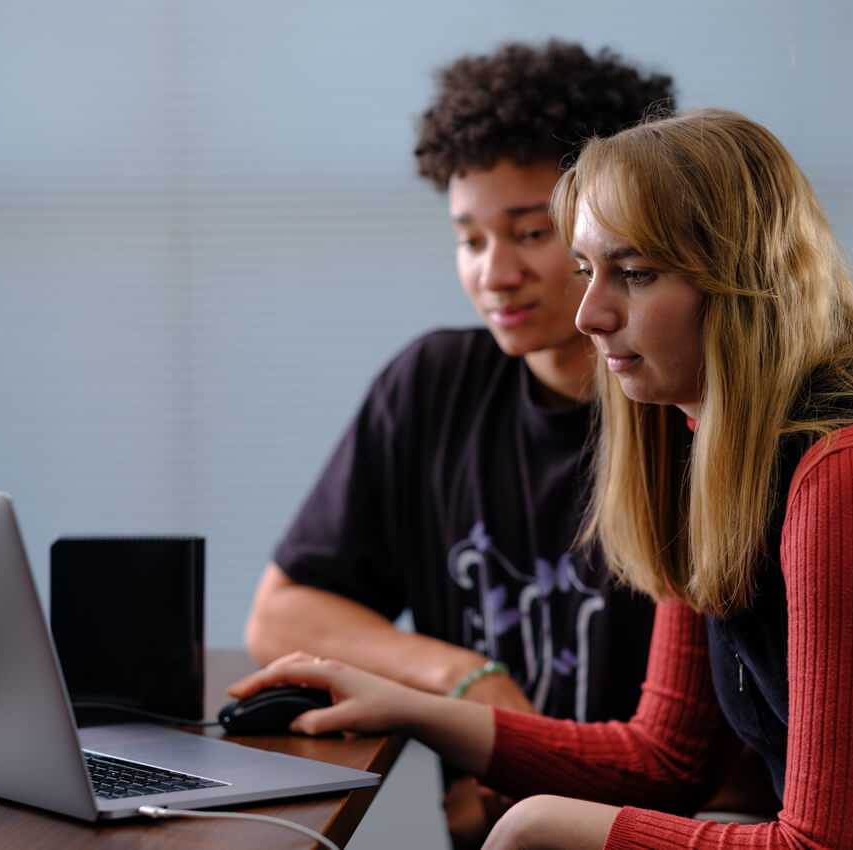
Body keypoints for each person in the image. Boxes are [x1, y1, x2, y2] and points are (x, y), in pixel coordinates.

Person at [233, 109, 853, 849]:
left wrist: (546, 824)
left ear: (743, 288)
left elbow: (831, 849)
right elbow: (662, 756)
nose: (590, 313)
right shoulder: (707, 453)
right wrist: (409, 705)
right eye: (586, 269)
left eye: (635, 273)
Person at [243, 41, 692, 846]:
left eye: (529, 232)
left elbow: (708, 760)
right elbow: (282, 614)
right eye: (470, 239)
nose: (495, 273)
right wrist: (463, 678)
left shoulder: (686, 412)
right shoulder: (432, 384)